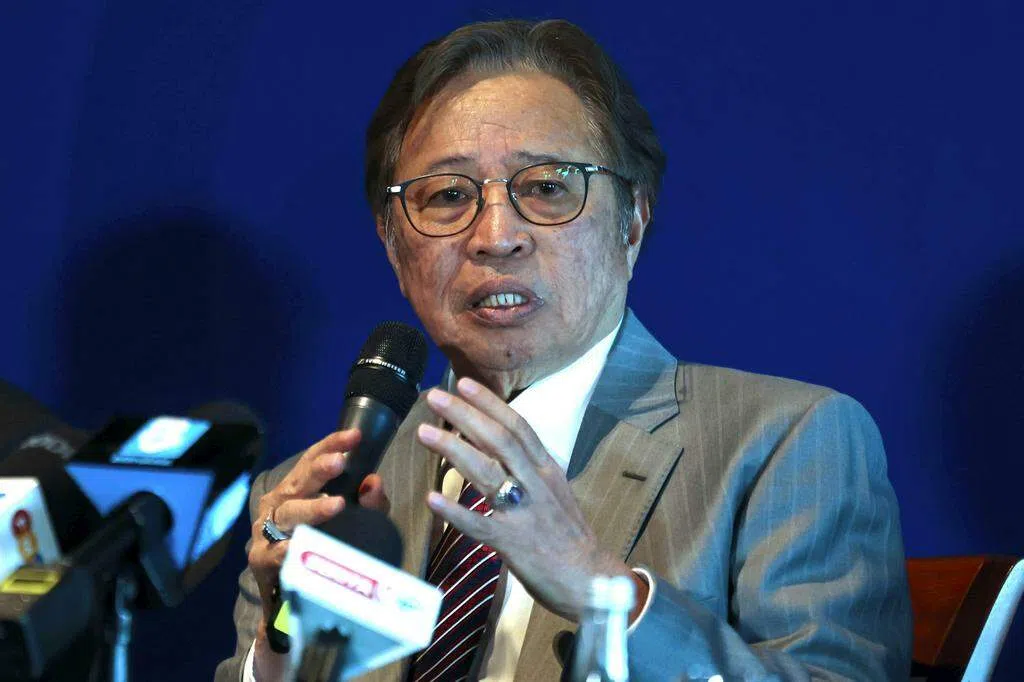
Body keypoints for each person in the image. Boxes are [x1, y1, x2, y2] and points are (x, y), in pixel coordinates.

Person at [216, 18, 911, 682]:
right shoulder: (314, 502)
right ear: (394, 246)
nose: (495, 236)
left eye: (547, 188)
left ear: (632, 221)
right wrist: (284, 638)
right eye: (448, 195)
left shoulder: (786, 445)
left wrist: (603, 591)